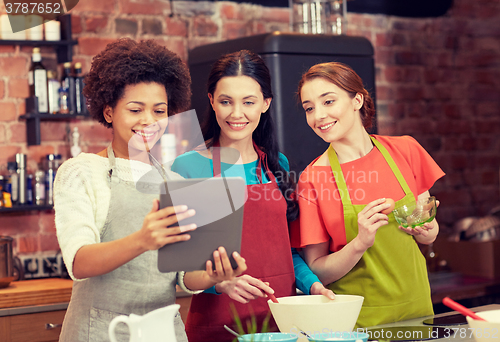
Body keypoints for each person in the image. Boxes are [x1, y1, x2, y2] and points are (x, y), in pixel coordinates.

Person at [54, 38, 247, 342]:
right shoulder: (82, 172)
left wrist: (214, 275)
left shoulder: (172, 178)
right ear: (108, 112)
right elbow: (79, 262)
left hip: (162, 333)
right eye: (135, 109)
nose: (149, 121)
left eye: (159, 110)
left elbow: (185, 277)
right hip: (100, 333)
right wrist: (142, 240)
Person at [171, 50, 334, 341]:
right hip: (219, 327)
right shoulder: (188, 167)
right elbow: (182, 272)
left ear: (265, 104)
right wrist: (218, 283)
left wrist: (313, 285)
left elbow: (287, 253)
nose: (236, 114)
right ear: (211, 101)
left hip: (281, 324)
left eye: (248, 102)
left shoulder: (277, 165)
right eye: (225, 101)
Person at [290, 62, 445, 328]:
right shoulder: (312, 179)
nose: (318, 116)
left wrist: (426, 229)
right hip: (359, 322)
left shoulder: (405, 150)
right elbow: (316, 270)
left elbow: (430, 233)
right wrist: (359, 242)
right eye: (309, 108)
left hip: (418, 310)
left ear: (357, 100)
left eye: (328, 101)